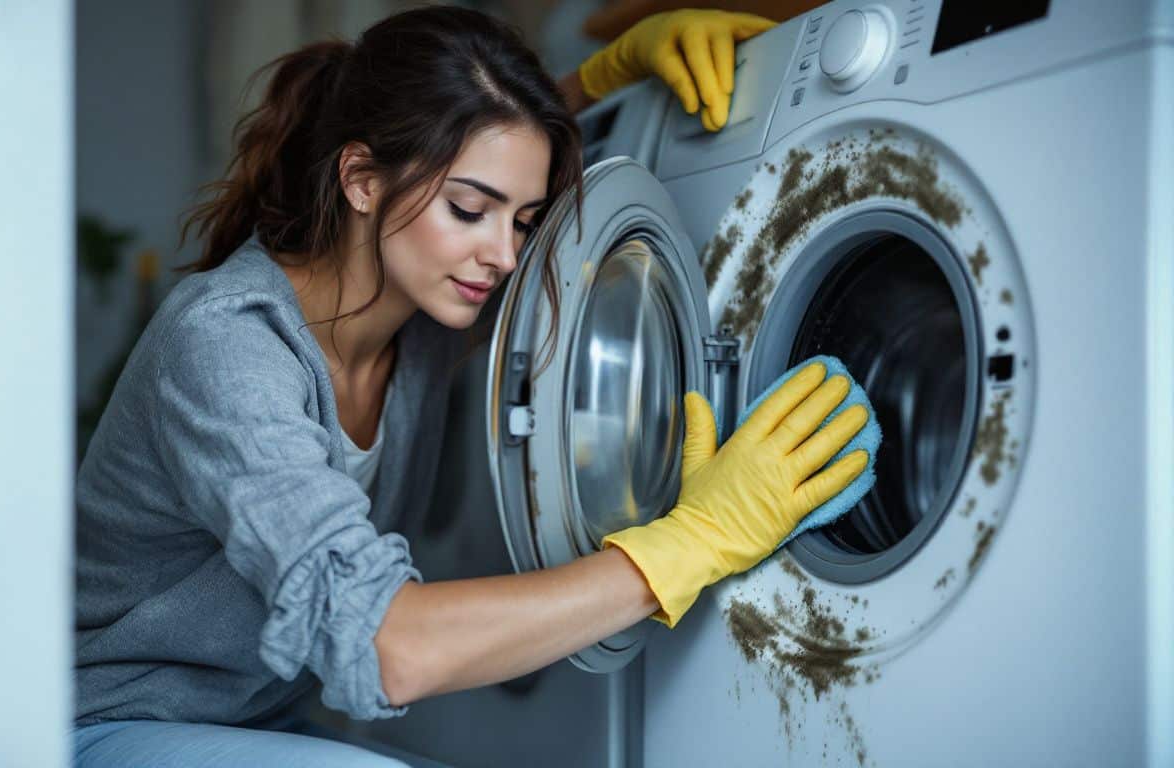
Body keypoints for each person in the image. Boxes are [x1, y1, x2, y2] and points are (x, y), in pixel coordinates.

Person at [72, 5, 869, 766]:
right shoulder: (225, 345)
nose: (506, 255)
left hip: (258, 721)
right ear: (359, 179)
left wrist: (600, 80)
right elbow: (390, 649)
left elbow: (479, 159)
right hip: (101, 726)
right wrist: (691, 544)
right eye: (470, 211)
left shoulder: (417, 311)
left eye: (523, 221)